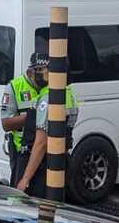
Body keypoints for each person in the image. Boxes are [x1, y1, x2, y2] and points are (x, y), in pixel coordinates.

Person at [11, 52, 80, 197]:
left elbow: (41, 143)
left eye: (40, 70)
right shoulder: (69, 94)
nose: (35, 74)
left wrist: (25, 179)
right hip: (59, 161)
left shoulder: (47, 97)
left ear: (52, 71)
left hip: (39, 166)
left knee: (30, 212)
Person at [1, 53, 46, 188]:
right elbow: (6, 123)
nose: (44, 75)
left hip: (44, 151)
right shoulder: (15, 87)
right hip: (21, 150)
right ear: (30, 72)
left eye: (46, 70)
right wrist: (34, 116)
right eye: (40, 70)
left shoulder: (50, 87)